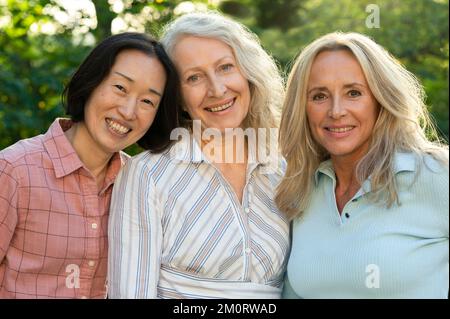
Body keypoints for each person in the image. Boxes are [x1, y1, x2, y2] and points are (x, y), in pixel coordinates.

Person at [107, 12, 290, 299]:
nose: (217, 89)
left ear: (248, 72)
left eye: (226, 67)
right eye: (194, 77)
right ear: (176, 96)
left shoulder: (283, 168)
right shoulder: (148, 175)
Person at [0, 32, 179, 298]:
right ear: (91, 83)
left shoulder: (141, 184)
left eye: (147, 101)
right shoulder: (15, 170)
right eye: (120, 88)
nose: (129, 112)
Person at [277, 32, 449, 298]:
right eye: (319, 96)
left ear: (381, 100)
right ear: (303, 107)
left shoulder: (436, 176)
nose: (336, 111)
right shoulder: (301, 190)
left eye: (353, 93)